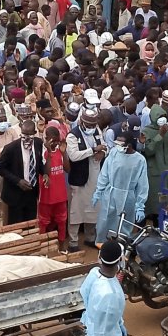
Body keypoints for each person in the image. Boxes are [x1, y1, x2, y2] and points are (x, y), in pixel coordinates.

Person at [92, 133, 148, 245]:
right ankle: (104, 252)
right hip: (110, 195)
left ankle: (121, 254)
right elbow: (105, 174)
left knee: (123, 229)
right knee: (104, 225)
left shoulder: (140, 160)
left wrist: (140, 205)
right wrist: (98, 191)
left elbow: (142, 184)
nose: (118, 146)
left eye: (121, 144)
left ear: (129, 145)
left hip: (128, 198)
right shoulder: (114, 153)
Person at [79, 240, 128, 336]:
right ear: (119, 261)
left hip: (90, 326)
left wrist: (119, 322)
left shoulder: (94, 273)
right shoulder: (110, 295)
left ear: (99, 257)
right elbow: (102, 332)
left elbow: (84, 293)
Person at [65, 107, 106, 251]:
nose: (91, 128)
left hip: (95, 176)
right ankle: (73, 241)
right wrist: (93, 150)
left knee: (93, 208)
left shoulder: (97, 131)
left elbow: (104, 146)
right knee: (76, 211)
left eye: (92, 125)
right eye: (88, 125)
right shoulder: (72, 135)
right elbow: (74, 156)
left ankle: (90, 238)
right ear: (82, 122)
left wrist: (102, 152)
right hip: (79, 178)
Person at [0, 119, 45, 224]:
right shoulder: (10, 148)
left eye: (29, 135)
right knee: (16, 226)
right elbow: (0, 168)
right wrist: (18, 181)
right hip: (15, 195)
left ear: (34, 133)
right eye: (24, 134)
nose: (26, 138)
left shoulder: (38, 144)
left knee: (30, 224)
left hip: (31, 193)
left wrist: (44, 174)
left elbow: (39, 163)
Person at [141, 104, 168, 218]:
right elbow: (148, 150)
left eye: (164, 116)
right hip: (156, 172)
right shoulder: (146, 131)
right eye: (159, 116)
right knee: (156, 203)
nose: (162, 119)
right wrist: (160, 135)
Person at [38, 126, 70, 252]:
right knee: (43, 223)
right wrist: (49, 153)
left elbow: (67, 169)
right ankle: (42, 248)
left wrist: (64, 153)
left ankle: (61, 247)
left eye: (57, 141)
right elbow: (46, 172)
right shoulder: (42, 152)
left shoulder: (60, 151)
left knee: (62, 222)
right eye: (52, 141)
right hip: (46, 195)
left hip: (60, 195)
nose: (55, 143)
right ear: (46, 139)